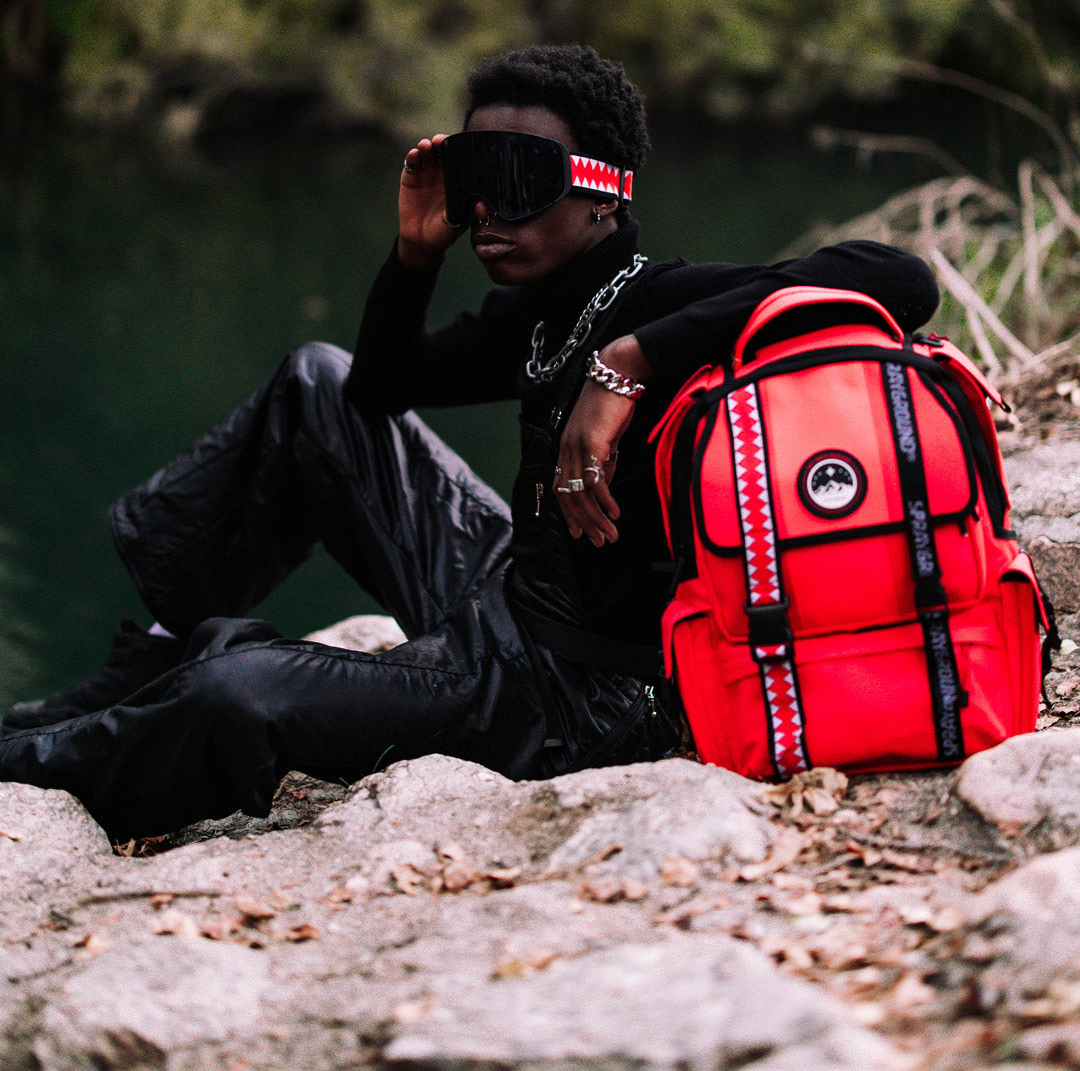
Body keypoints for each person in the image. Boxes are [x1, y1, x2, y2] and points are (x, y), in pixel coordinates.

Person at [0, 43, 939, 840]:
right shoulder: (537, 313)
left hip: (577, 699)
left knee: (238, 693)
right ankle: (157, 648)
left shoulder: (660, 299)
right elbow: (376, 392)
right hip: (507, 600)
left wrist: (629, 361)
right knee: (316, 384)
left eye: (518, 182)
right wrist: (415, 253)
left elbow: (896, 277)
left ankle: (31, 764)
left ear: (603, 190)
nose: (488, 211)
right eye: (475, 181)